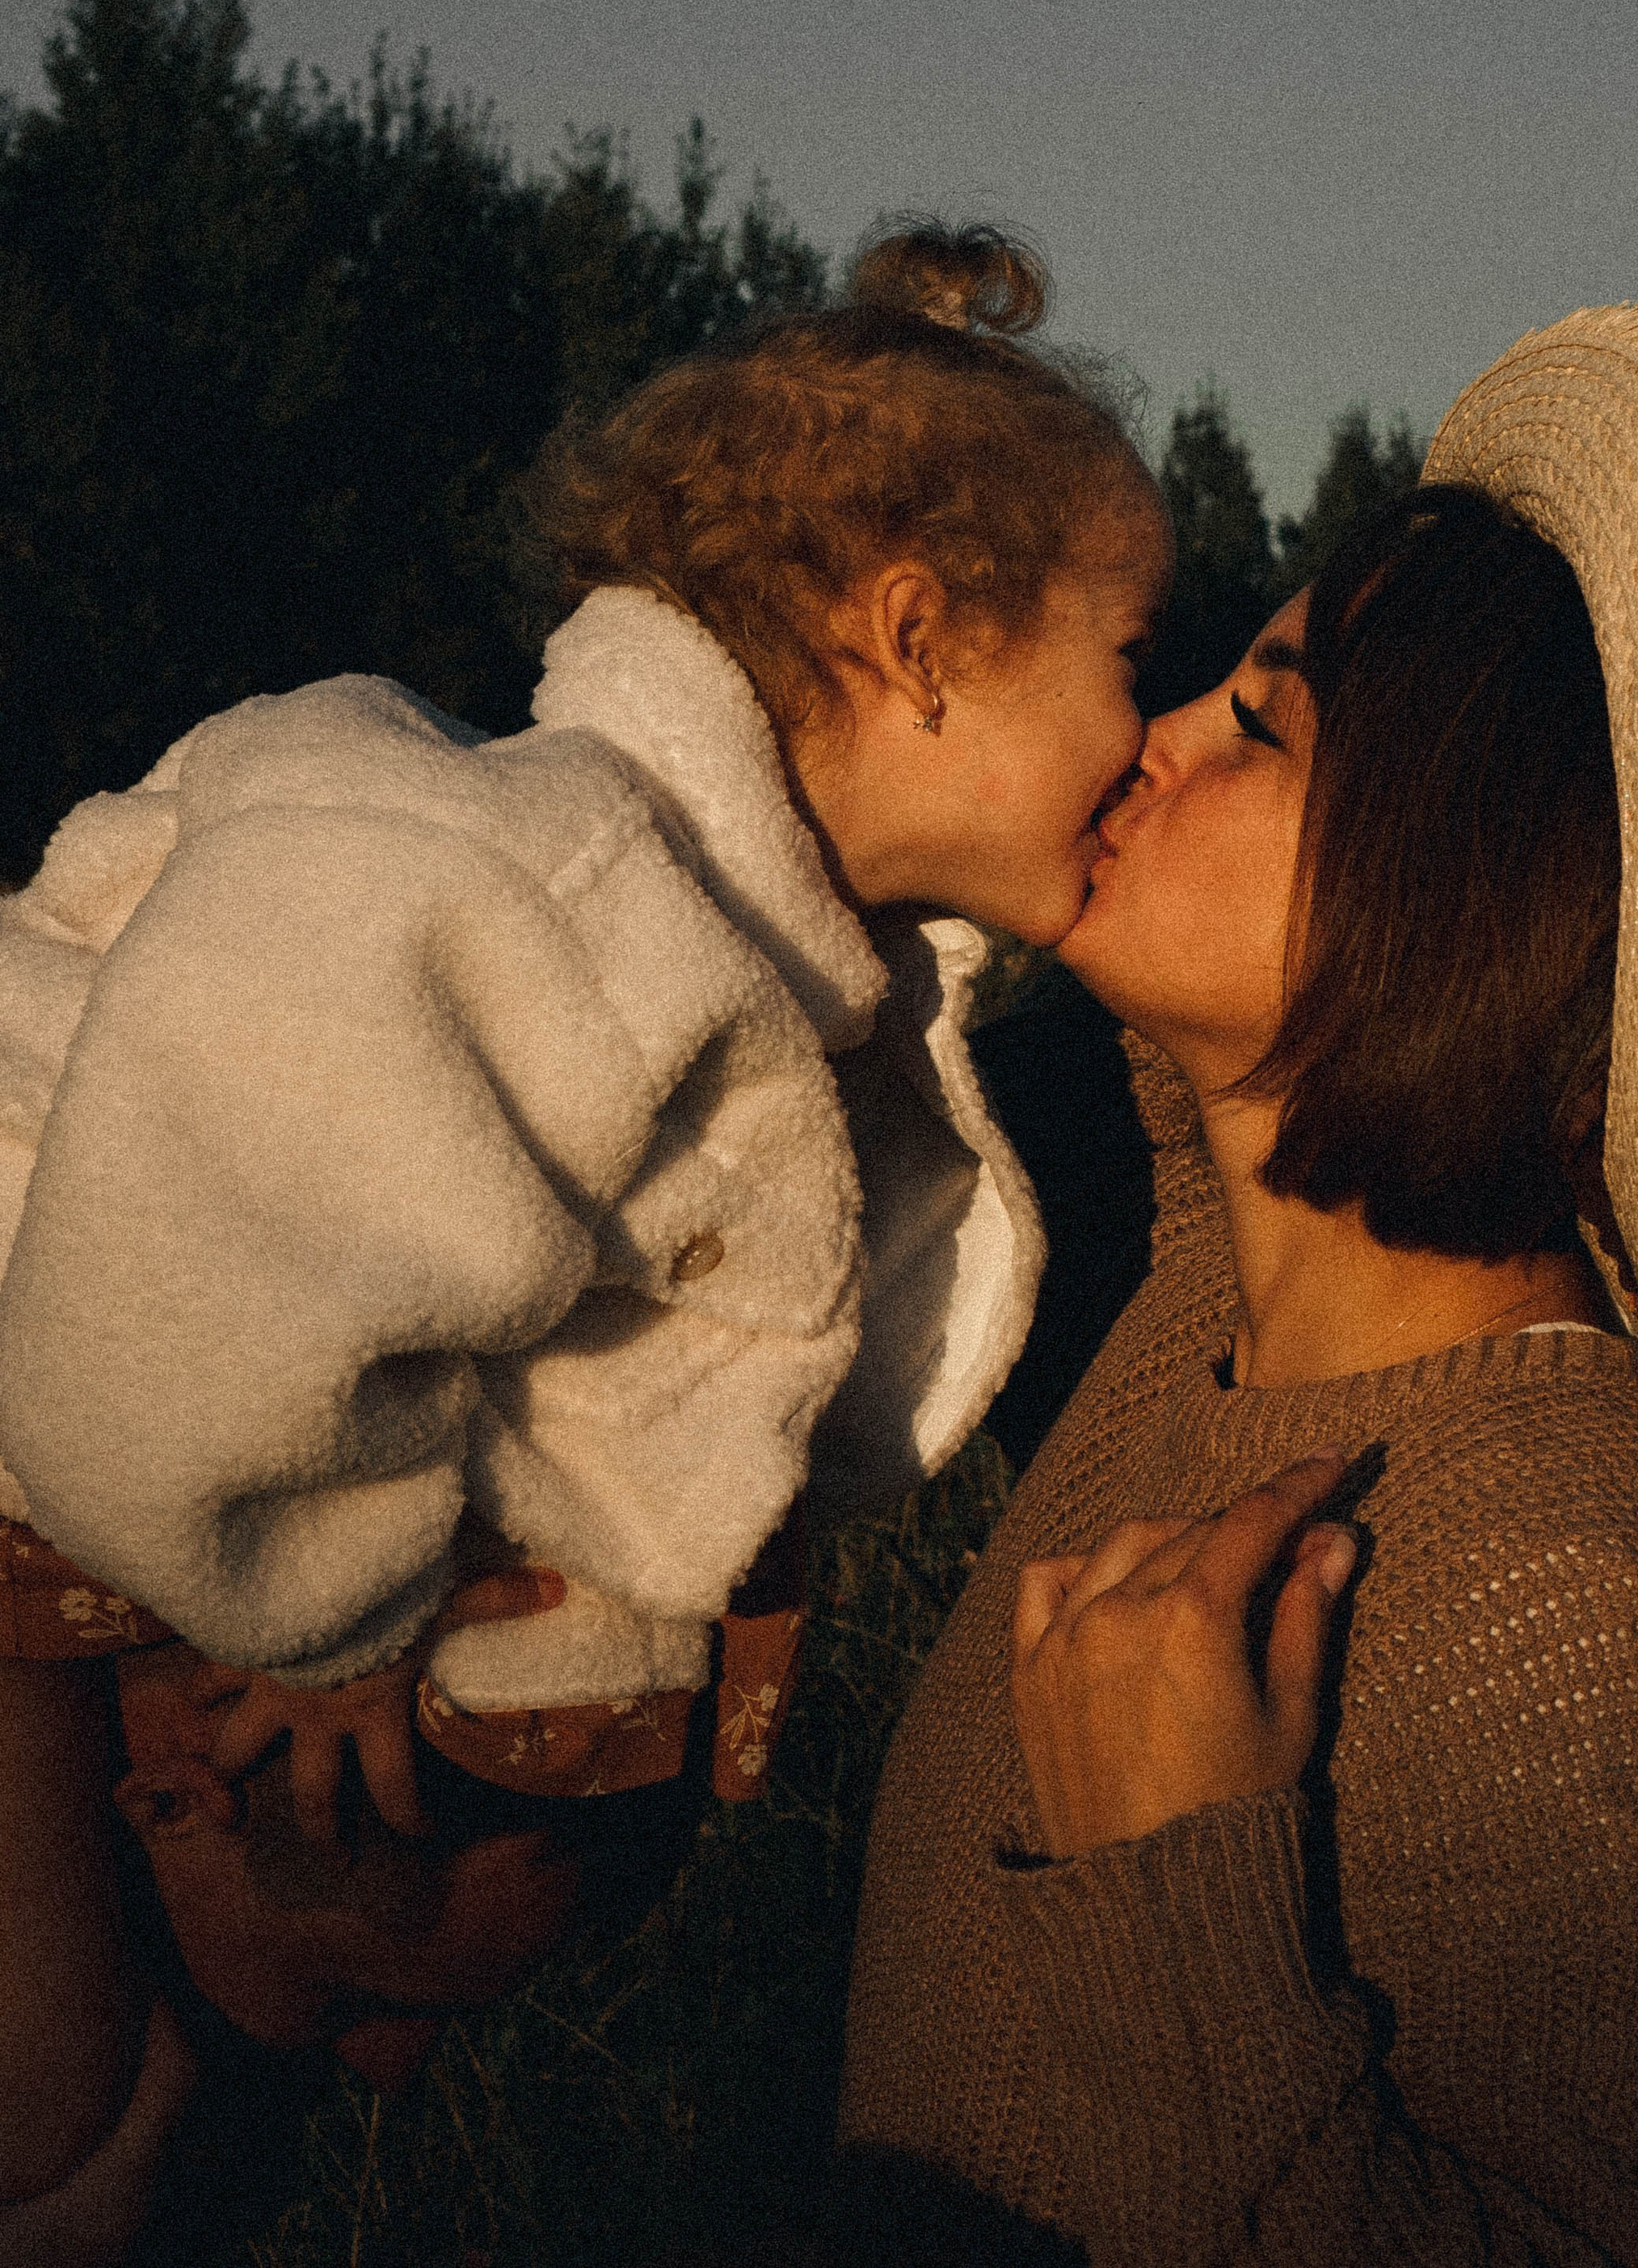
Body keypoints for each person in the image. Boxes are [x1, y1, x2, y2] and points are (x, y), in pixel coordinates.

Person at [0, 225, 1168, 2247]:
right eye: (1127, 662)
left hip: (116, 1491)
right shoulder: (546, 880)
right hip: (47, 1407)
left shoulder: (769, 957)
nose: (1150, 732)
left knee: (175, 2107)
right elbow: (199, 1260)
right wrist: (331, 1613)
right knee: (54, 2103)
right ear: (918, 641)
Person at [840, 302, 1638, 2265]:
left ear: (1459, 898)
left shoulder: (1590, 1616)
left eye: (1258, 726)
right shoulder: (1187, 1306)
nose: (1149, 735)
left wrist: (1173, 1881)